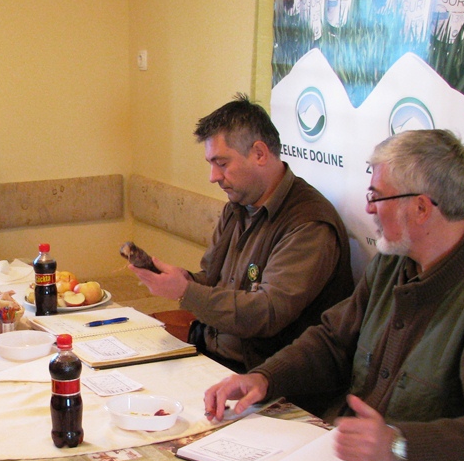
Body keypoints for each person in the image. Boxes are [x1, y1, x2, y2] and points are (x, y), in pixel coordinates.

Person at [204, 129, 464, 461]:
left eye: (377, 197)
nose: (369, 209)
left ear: (421, 208)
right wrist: (265, 378)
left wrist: (399, 444)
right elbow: (334, 341)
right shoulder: (393, 261)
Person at [128, 95, 353, 397]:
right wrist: (182, 280)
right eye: (211, 164)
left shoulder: (309, 224)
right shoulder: (238, 206)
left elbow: (267, 313)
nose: (213, 177)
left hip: (267, 380)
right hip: (214, 357)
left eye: (222, 164)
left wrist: (185, 292)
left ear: (259, 153)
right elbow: (213, 281)